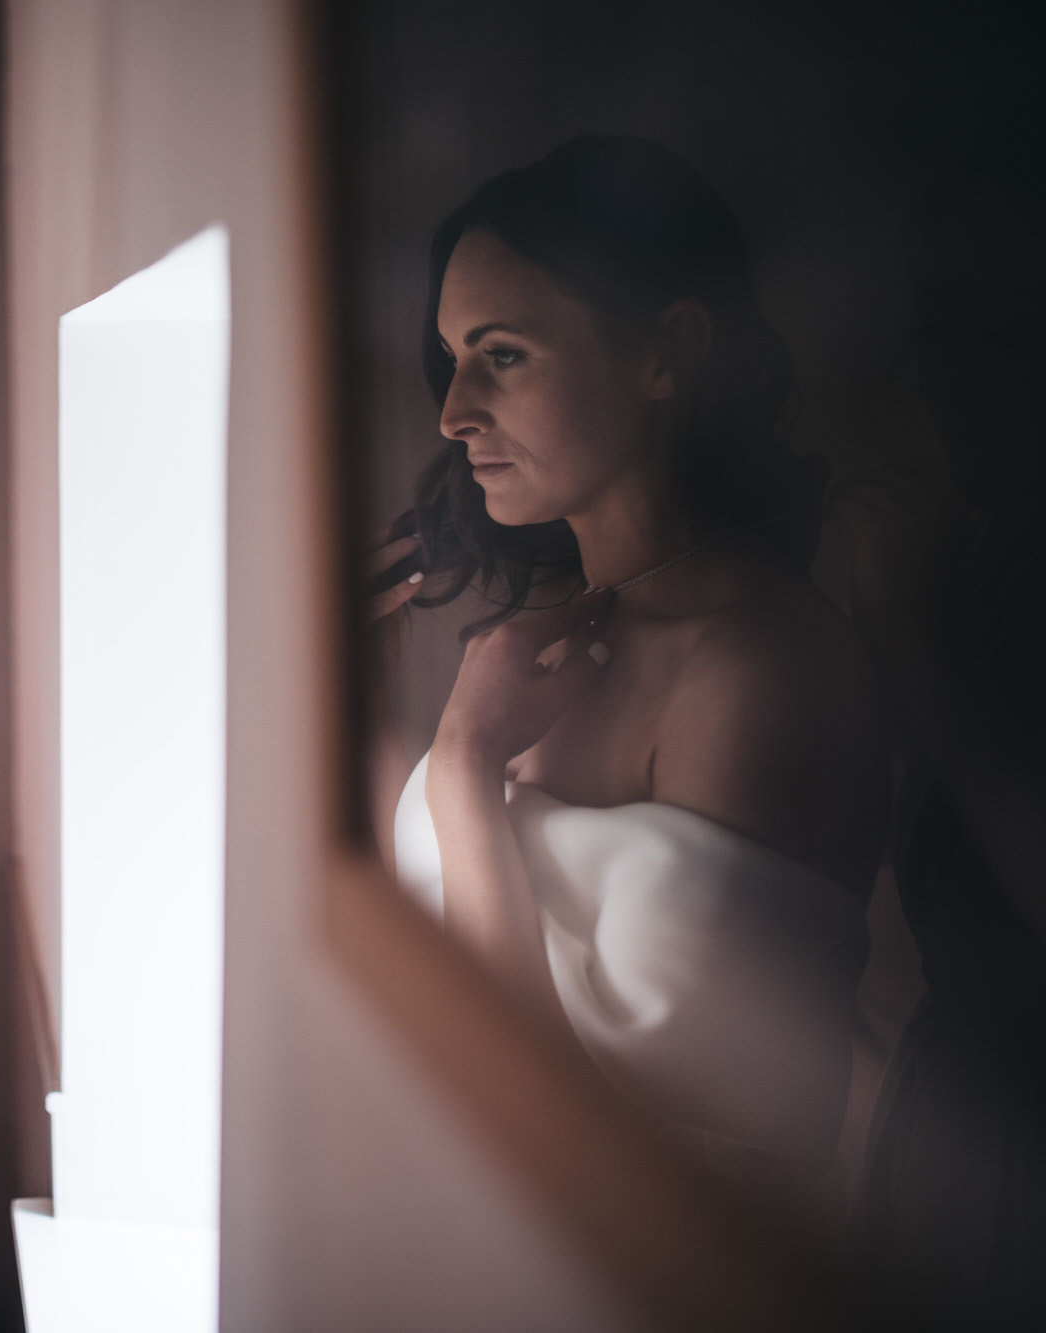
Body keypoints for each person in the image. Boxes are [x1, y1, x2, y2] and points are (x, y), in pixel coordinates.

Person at [375, 136, 889, 1191]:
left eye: (501, 354)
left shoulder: (756, 674)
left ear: (665, 353)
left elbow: (568, 1141)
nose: (451, 411)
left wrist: (466, 767)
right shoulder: (534, 643)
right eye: (451, 357)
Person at [838, 148, 1046, 1328]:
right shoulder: (975, 548)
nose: (936, 375)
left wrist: (918, 650)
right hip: (947, 1121)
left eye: (989, 327)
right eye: (927, 328)